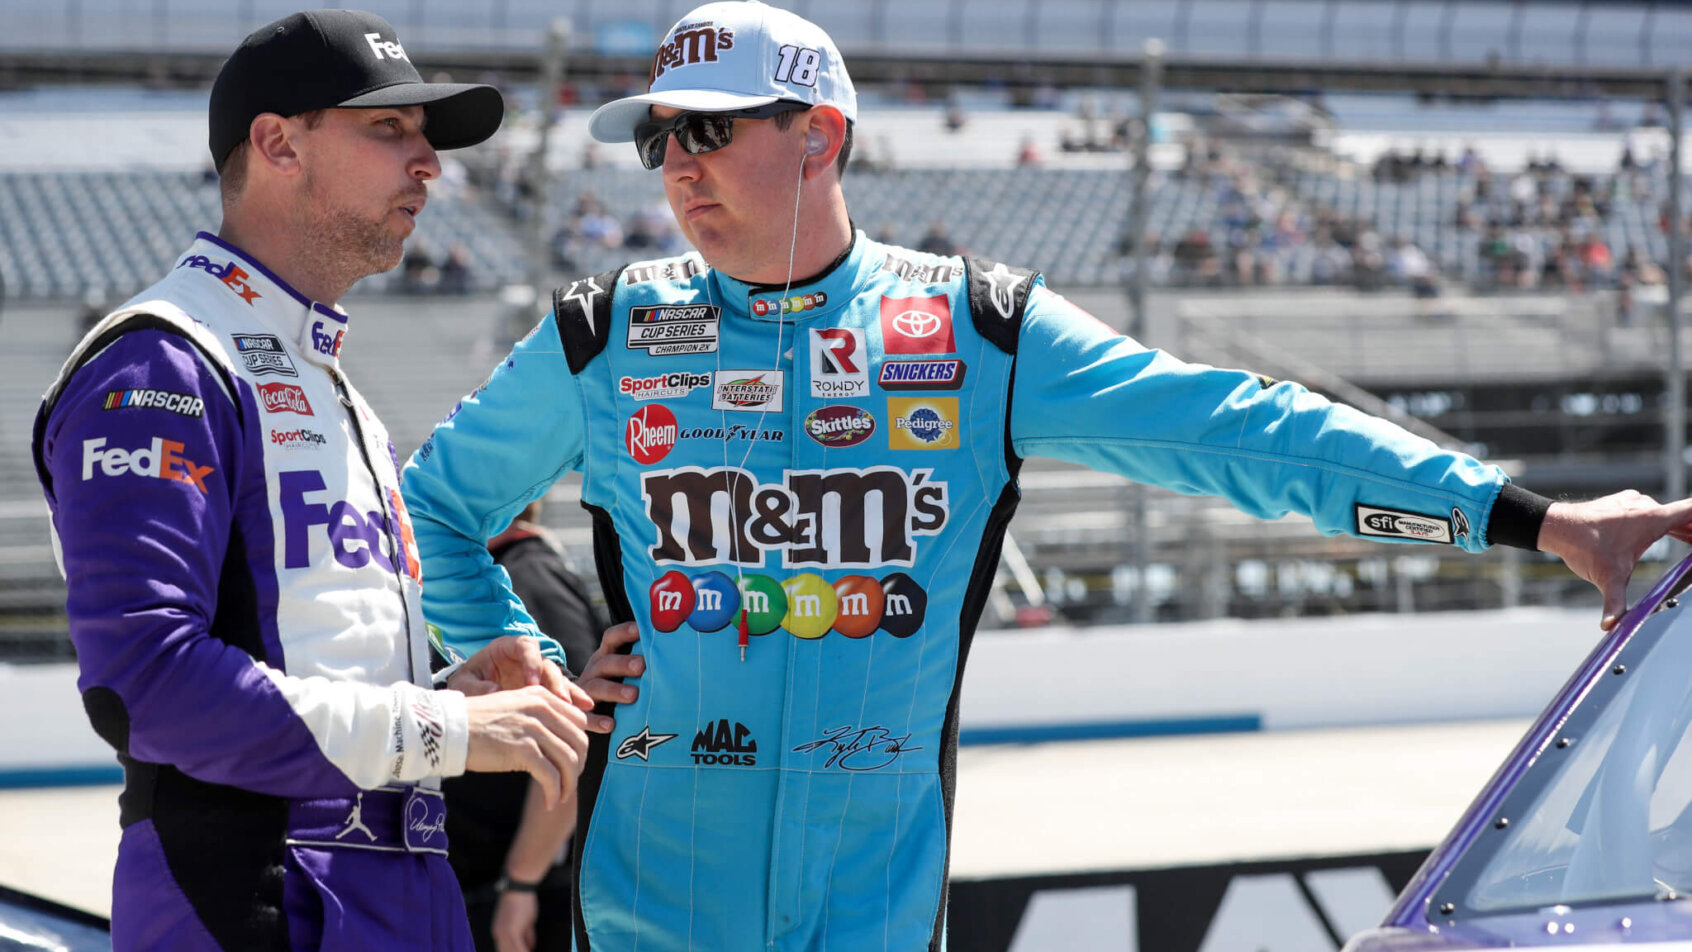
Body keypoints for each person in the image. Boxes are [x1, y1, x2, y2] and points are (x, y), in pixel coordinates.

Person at [399, 2, 1692, 949]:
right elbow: (435, 506)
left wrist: (1531, 518)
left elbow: (1242, 432)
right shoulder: (608, 331)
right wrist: (522, 656)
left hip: (872, 914)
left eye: (710, 129)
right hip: (650, 905)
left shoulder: (977, 330)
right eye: (659, 142)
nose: (679, 165)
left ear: (821, 135)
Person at [30, 11, 612, 951]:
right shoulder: (162, 361)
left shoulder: (324, 376)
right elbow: (145, 682)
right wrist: (445, 728)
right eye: (389, 128)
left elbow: (313, 658)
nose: (429, 164)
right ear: (277, 144)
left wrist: (448, 692)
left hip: (399, 882)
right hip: (258, 891)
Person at [446, 500, 605, 952]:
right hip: (497, 884)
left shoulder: (526, 577)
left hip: (516, 893)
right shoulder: (512, 574)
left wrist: (521, 882)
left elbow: (579, 729)